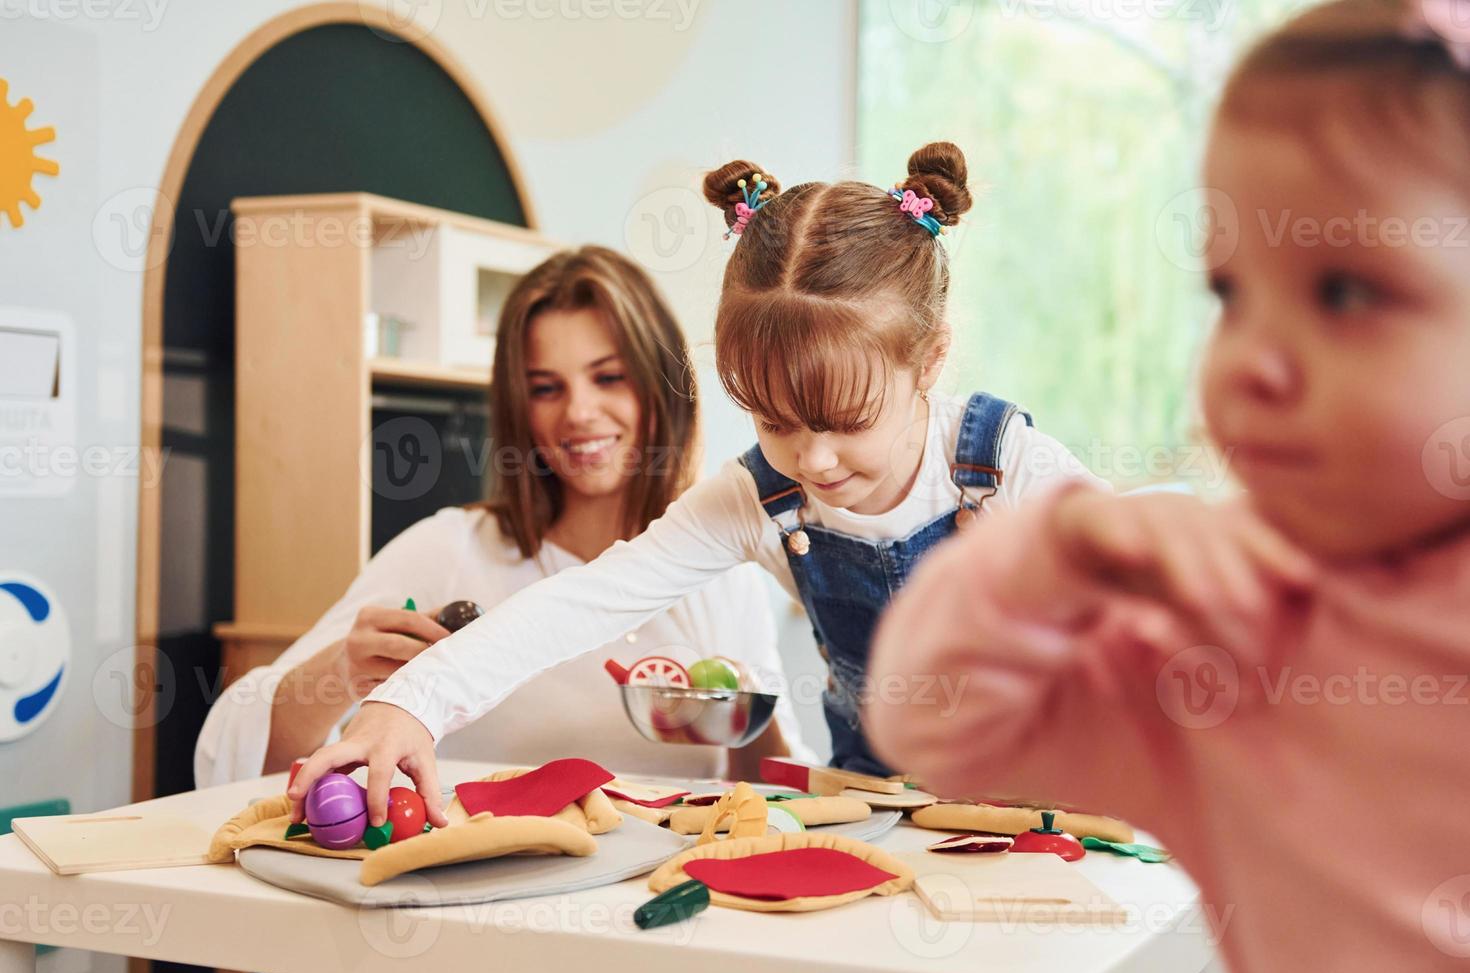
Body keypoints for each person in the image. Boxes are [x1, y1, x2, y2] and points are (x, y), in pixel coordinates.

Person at [865, 3, 1470, 973]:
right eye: (1231, 293)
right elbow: (930, 716)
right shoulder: (1231, 636)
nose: (1250, 363)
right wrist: (1055, 553)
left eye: (1346, 292)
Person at [288, 142, 1102, 829]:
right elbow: (581, 602)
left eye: (846, 421)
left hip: (1044, 802)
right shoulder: (755, 499)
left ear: (929, 362)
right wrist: (413, 703)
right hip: (886, 809)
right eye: (774, 421)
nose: (813, 461)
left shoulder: (1004, 470)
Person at [195, 246, 807, 787]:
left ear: (662, 388)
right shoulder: (447, 551)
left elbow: (763, 786)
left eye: (609, 378)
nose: (580, 413)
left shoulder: (721, 571)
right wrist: (340, 674)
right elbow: (232, 760)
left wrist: (750, 714)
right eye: (545, 388)